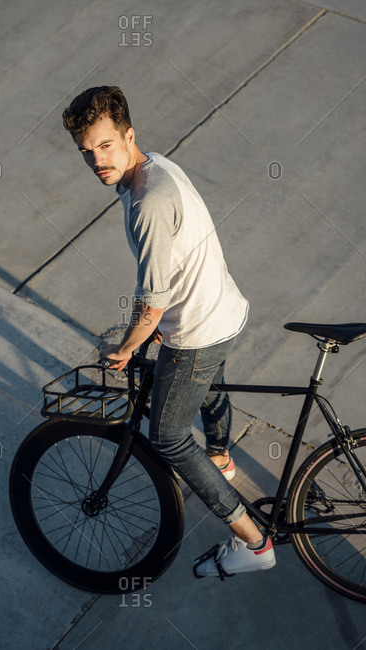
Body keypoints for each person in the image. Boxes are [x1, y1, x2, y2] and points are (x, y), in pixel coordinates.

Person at [62, 86, 275, 578]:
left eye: (105, 145)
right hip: (225, 309)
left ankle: (253, 543)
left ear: (128, 136)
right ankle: (220, 459)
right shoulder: (154, 165)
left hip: (198, 329)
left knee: (169, 435)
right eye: (86, 151)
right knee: (207, 389)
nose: (96, 160)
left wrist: (125, 347)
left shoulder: (148, 202)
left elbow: (154, 304)